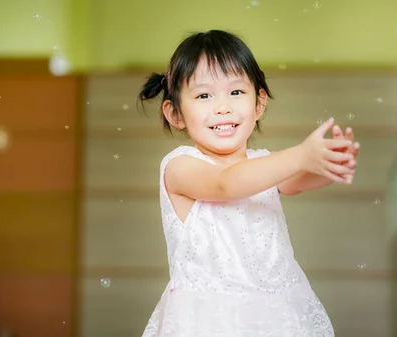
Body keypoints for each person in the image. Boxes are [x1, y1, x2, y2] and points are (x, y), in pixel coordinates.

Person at [137, 30, 360, 337]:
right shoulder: (179, 166)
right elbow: (226, 184)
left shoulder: (264, 162)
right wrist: (300, 155)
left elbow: (297, 180)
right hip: (209, 320)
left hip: (279, 314)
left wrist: (328, 163)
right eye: (204, 95)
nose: (223, 107)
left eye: (236, 92)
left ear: (259, 103)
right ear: (176, 113)